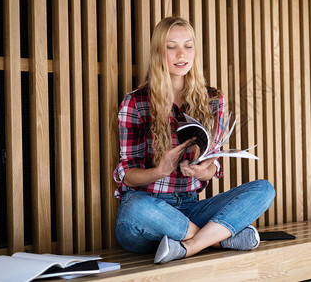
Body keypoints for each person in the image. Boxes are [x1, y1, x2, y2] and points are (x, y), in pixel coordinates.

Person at [113, 16, 275, 264]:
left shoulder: (212, 99)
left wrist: (203, 171)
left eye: (188, 46)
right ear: (159, 52)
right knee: (136, 207)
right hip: (149, 215)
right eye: (171, 47)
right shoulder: (135, 102)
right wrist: (159, 171)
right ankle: (217, 239)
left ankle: (189, 247)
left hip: (191, 208)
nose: (181, 54)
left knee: (264, 189)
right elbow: (126, 173)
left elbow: (214, 165)